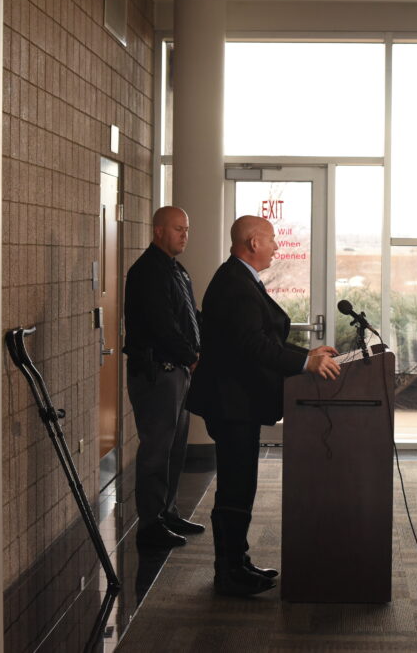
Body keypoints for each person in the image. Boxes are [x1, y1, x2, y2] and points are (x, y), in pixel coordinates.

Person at [188, 215, 341, 597]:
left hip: (237, 404)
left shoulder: (238, 279)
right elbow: (252, 346)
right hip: (232, 405)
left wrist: (307, 353)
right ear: (253, 243)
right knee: (236, 488)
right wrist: (305, 363)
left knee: (240, 486)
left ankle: (236, 563)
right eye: (271, 240)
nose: (277, 246)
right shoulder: (236, 285)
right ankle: (229, 572)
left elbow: (261, 338)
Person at [123, 206, 204, 550]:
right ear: (158, 231)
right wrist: (192, 356)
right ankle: (150, 523)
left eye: (186, 229)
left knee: (175, 447)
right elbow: (162, 326)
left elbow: (188, 316)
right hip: (158, 373)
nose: (184, 235)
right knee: (157, 449)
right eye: (177, 229)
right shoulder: (147, 272)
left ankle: (167, 511)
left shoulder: (176, 270)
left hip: (178, 372)